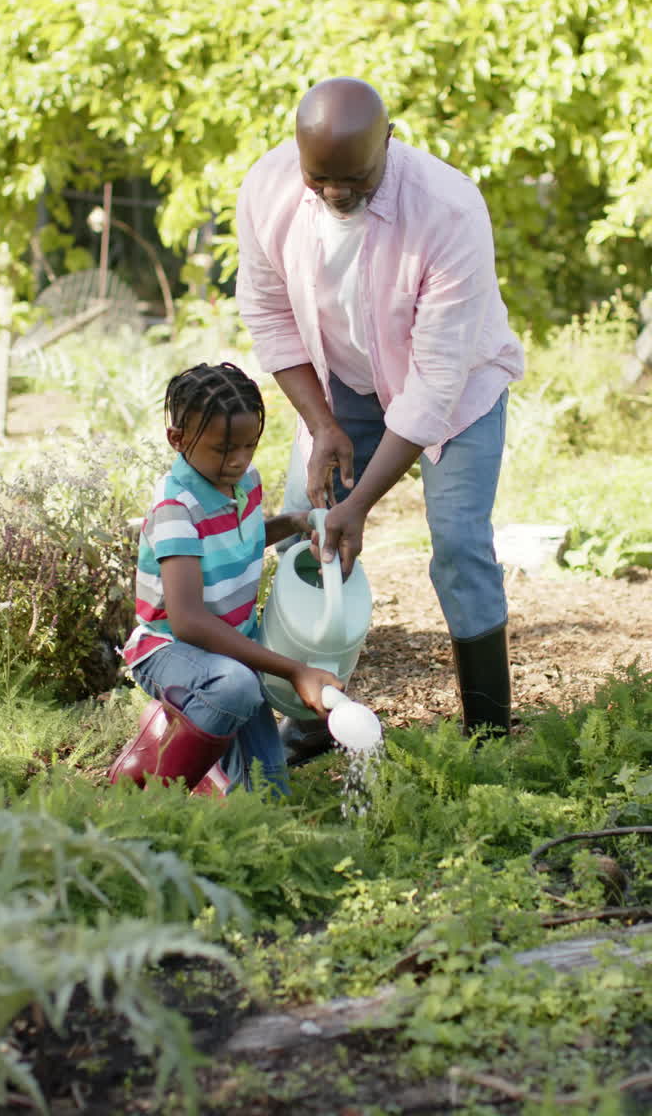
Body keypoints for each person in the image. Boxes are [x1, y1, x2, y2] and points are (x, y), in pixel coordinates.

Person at [235, 77, 525, 762]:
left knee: (459, 548)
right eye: (321, 179)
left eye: (355, 178)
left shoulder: (449, 210)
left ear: (389, 144)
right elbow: (269, 316)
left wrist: (362, 503)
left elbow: (432, 388)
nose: (336, 194)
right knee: (306, 525)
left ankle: (487, 734)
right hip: (342, 382)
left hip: (458, 389)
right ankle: (313, 717)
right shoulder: (269, 189)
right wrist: (323, 423)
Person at [109, 361, 344, 796]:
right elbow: (188, 622)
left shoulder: (243, 483)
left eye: (248, 447)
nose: (238, 460)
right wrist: (294, 671)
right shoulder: (176, 508)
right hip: (171, 651)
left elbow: (244, 540)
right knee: (234, 687)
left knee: (270, 796)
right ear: (177, 439)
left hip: (230, 653)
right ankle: (157, 797)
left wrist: (292, 522)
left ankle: (192, 740)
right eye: (222, 450)